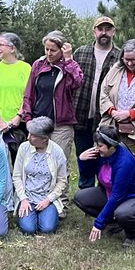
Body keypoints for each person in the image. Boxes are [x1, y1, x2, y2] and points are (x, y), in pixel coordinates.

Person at [12, 30, 84, 206]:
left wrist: (69, 60)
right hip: (38, 123)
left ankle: (61, 204)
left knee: (60, 163)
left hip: (61, 123)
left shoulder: (67, 66)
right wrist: (27, 118)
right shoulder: (38, 65)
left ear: (61, 50)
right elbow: (29, 94)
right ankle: (32, 198)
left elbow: (77, 83)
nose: (49, 53)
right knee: (35, 160)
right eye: (46, 49)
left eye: (53, 50)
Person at [75, 126, 135, 248]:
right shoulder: (100, 155)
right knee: (81, 198)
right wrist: (82, 160)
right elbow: (88, 174)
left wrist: (99, 223)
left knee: (123, 213)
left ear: (112, 146)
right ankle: (115, 222)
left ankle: (133, 234)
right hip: (109, 193)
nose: (96, 148)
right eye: (96, 144)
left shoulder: (124, 163)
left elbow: (118, 196)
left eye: (100, 146)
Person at [73, 16, 122, 188]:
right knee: (85, 154)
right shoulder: (81, 53)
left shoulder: (120, 57)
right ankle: (85, 192)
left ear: (113, 32)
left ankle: (103, 192)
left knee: (105, 156)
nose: (104, 33)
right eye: (100, 29)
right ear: (94, 31)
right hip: (80, 113)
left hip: (106, 118)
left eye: (108, 29)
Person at [13, 116, 68, 236]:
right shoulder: (24, 148)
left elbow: (62, 181)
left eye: (33, 135)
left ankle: (47, 214)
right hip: (28, 196)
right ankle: (28, 216)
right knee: (28, 229)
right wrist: (23, 199)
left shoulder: (57, 152)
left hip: (46, 197)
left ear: (45, 139)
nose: (28, 137)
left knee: (48, 229)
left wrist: (48, 200)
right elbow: (16, 176)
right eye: (29, 133)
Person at [0, 32, 32, 162]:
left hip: (18, 124)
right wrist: (0, 122)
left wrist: (18, 116)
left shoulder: (26, 68)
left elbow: (28, 96)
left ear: (12, 48)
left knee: (20, 162)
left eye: (1, 45)